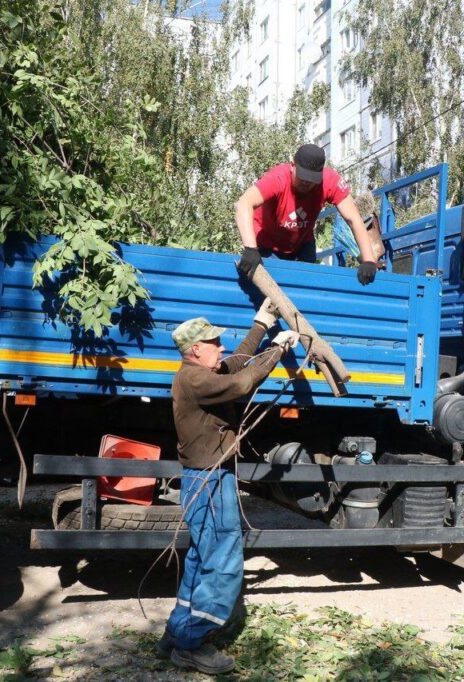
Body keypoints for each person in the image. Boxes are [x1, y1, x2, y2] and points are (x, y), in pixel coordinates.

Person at [159, 304, 299, 674]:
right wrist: (279, 351)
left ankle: (178, 633)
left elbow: (236, 363)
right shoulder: (194, 379)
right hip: (207, 482)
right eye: (214, 342)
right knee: (223, 564)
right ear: (195, 350)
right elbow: (241, 382)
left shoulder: (202, 370)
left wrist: (262, 326)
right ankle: (193, 644)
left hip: (207, 479)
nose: (221, 347)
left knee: (201, 560)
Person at [234, 143, 379, 285]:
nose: (306, 183)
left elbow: (353, 218)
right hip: (267, 245)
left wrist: (368, 260)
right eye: (302, 178)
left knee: (307, 288)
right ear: (292, 165)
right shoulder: (277, 178)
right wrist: (250, 249)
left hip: (302, 243)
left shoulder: (330, 181)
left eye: (311, 180)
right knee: (272, 293)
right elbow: (243, 203)